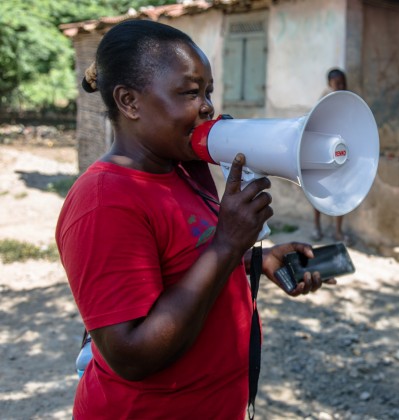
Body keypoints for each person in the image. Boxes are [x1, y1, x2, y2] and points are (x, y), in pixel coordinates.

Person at [56, 20, 333, 419]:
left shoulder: (181, 171)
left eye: (208, 92)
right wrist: (226, 243)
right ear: (129, 101)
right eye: (189, 92)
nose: (206, 107)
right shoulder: (104, 201)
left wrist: (257, 257)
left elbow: (182, 261)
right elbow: (131, 355)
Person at [312, 68, 352, 244]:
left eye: (343, 83)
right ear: (330, 84)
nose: (342, 86)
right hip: (324, 152)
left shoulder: (349, 101)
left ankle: (337, 232)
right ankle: (317, 227)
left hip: (341, 152)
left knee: (340, 193)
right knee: (318, 192)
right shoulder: (324, 101)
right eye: (338, 83)